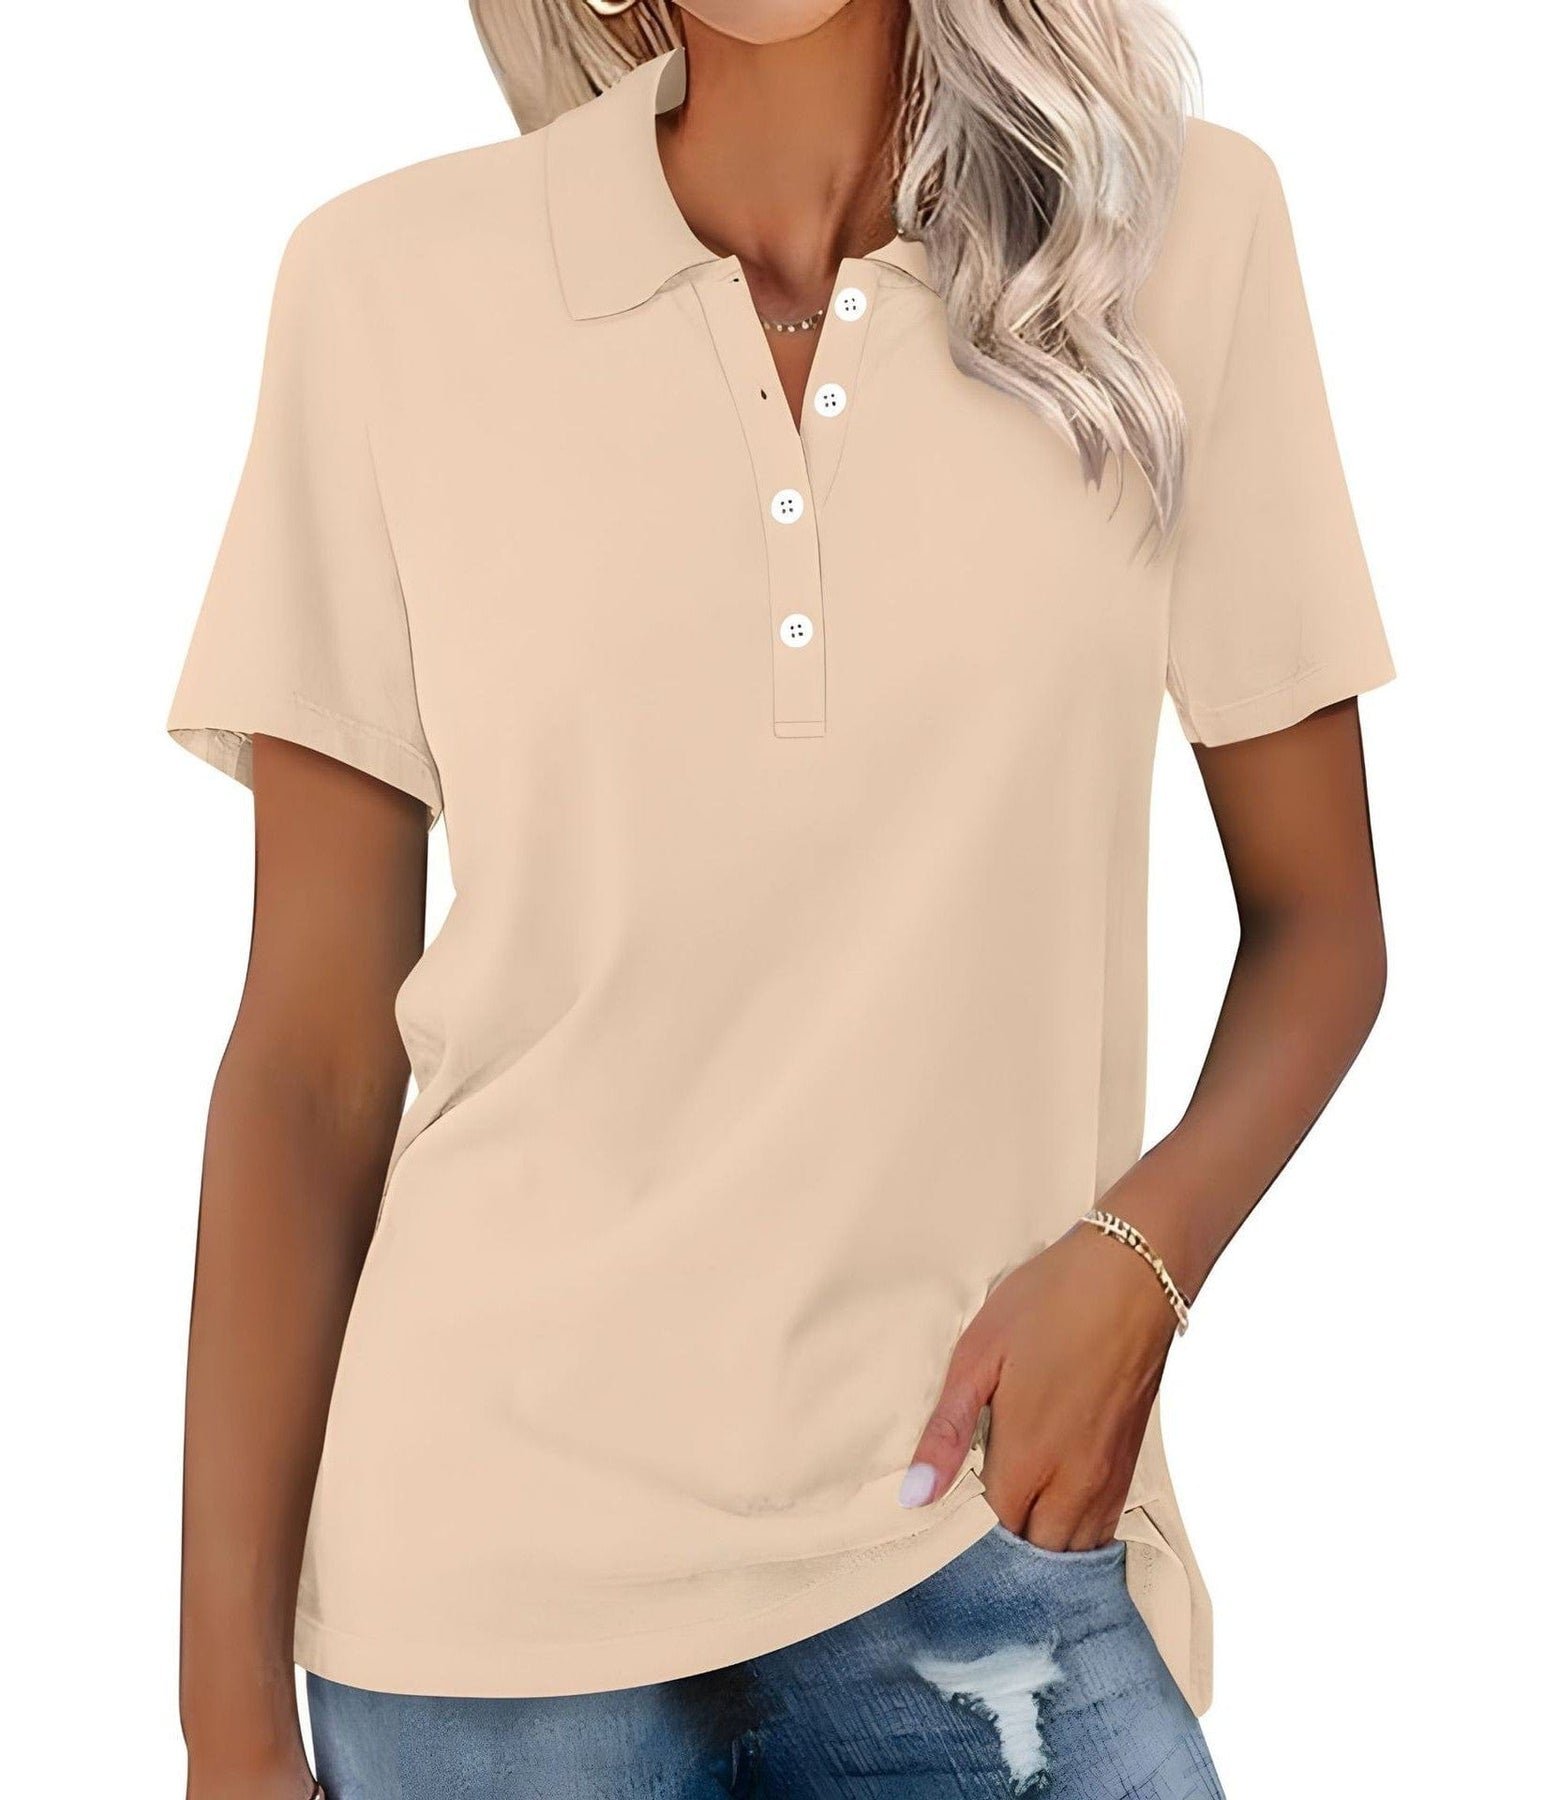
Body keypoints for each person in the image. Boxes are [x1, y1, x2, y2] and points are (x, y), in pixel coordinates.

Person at [166, 1, 1394, 1795]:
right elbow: (308, 1059)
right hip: (479, 1623)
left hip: (977, 1526)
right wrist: (223, 1728)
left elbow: (1321, 925)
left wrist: (1140, 1262)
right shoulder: (387, 291)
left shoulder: (1167, 239)